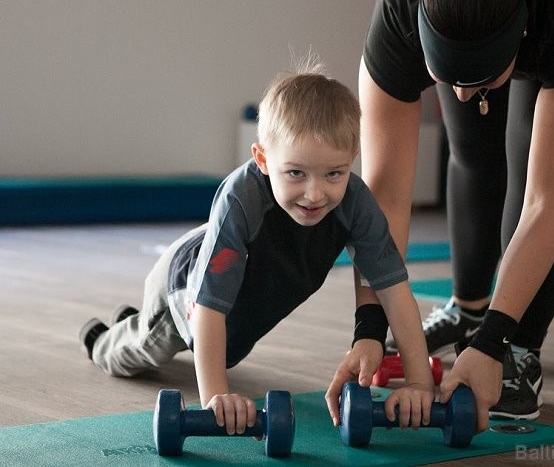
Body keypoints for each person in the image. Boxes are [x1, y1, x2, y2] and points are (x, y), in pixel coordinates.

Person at [330, 0, 554, 432]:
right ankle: (469, 309)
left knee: (536, 156)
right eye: (446, 77)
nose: (458, 93)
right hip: (472, 10)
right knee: (472, 146)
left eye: (477, 79)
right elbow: (384, 199)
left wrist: (494, 343)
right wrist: (369, 326)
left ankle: (519, 347)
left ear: (520, 36)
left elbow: (545, 203)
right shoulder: (399, 11)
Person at [79, 58, 435, 434]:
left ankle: (131, 317)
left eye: (334, 173)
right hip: (183, 289)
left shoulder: (357, 204)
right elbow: (208, 308)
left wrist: (419, 385)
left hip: (238, 306)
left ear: (352, 159)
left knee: (228, 351)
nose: (315, 194)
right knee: (137, 351)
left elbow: (395, 292)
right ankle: (100, 337)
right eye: (296, 173)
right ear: (263, 159)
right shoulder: (241, 198)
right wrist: (216, 397)